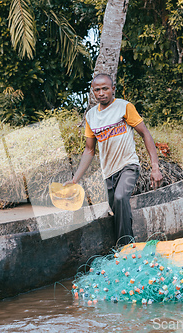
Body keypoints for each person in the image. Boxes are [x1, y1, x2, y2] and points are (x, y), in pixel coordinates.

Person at [67, 73, 162, 245]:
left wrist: (155, 167)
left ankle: (126, 246)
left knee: (120, 198)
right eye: (97, 90)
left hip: (128, 166)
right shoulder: (91, 116)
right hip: (108, 172)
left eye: (105, 88)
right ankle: (125, 241)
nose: (101, 93)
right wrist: (75, 179)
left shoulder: (124, 107)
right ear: (93, 92)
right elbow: (89, 150)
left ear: (113, 89)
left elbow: (145, 133)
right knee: (116, 209)